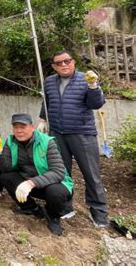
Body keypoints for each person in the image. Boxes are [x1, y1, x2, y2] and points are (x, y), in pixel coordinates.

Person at [38, 50, 108, 227]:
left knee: (91, 174)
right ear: (54, 66)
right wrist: (42, 120)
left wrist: (93, 87)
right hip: (57, 134)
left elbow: (96, 104)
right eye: (59, 63)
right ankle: (65, 207)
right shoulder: (49, 82)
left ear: (73, 62)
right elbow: (46, 102)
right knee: (62, 173)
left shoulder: (86, 79)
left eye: (67, 61)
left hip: (82, 133)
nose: (63, 65)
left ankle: (99, 212)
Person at [0, 114, 74, 236]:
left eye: (23, 127)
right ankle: (31, 208)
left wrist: (31, 183)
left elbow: (58, 172)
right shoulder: (10, 141)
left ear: (32, 127)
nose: (19, 131)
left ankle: (53, 216)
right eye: (16, 127)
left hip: (51, 185)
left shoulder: (47, 142)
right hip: (28, 185)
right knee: (6, 177)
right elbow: (7, 169)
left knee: (56, 192)